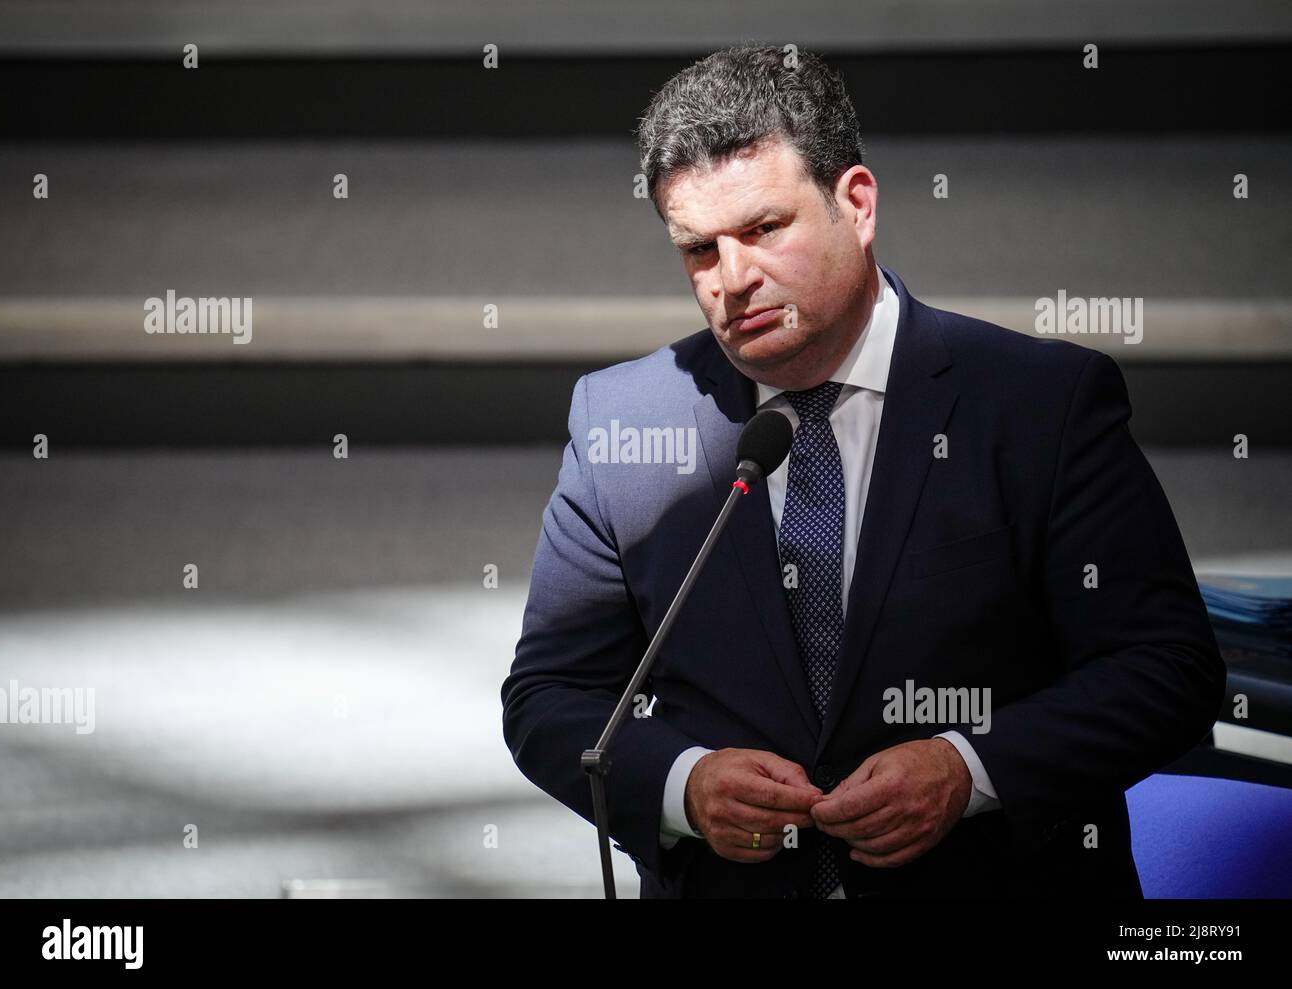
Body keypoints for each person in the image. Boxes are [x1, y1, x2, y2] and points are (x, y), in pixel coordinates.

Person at [500, 45, 1225, 898]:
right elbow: (551, 695)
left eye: (767, 229)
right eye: (699, 249)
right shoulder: (623, 420)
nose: (733, 279)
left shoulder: (1040, 403)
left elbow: (1166, 666)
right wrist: (684, 785)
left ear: (857, 203)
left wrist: (967, 766)